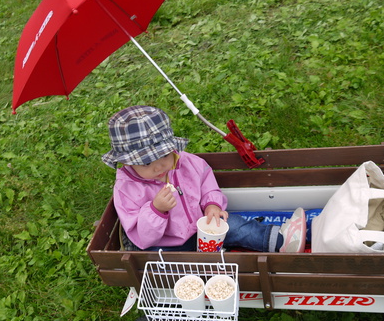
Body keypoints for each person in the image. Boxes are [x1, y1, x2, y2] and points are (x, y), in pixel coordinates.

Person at [102, 105, 305, 252]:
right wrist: (156, 209)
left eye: (164, 155)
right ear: (127, 163)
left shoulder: (186, 162)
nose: (159, 166)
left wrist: (212, 205)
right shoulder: (126, 189)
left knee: (238, 227)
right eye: (146, 163)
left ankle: (281, 242)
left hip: (203, 224)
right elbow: (143, 237)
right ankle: (200, 276)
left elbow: (207, 183)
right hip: (167, 243)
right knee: (164, 263)